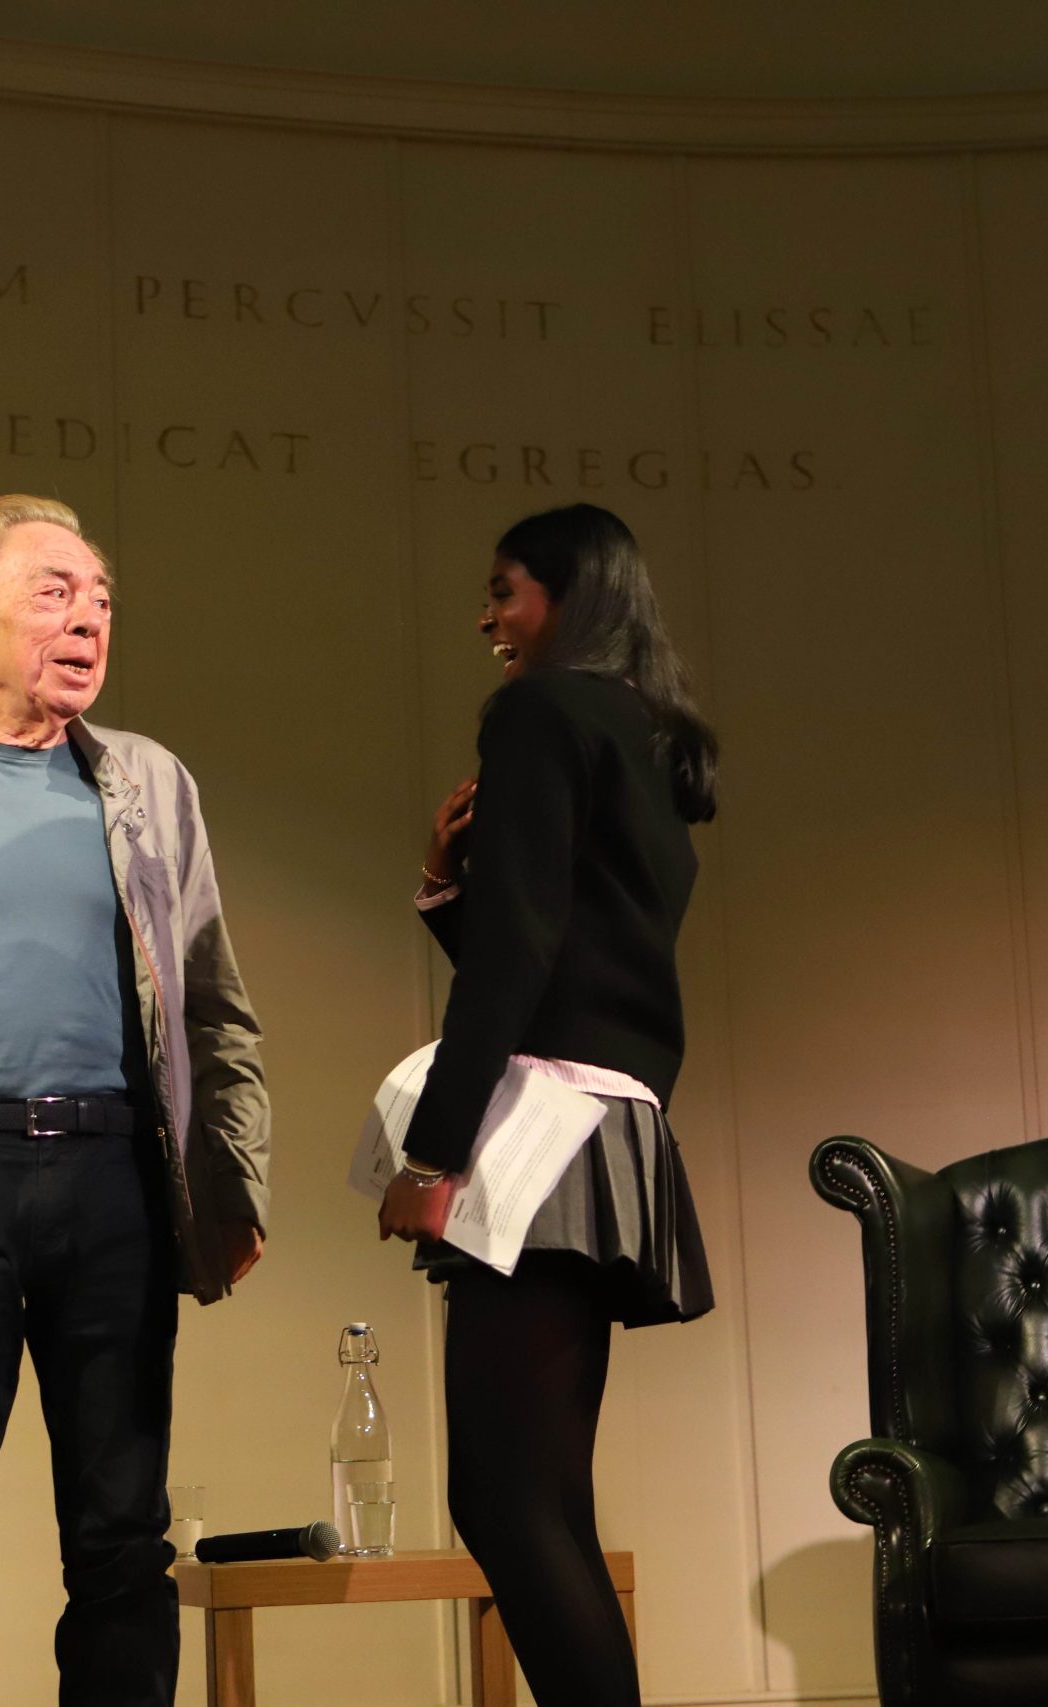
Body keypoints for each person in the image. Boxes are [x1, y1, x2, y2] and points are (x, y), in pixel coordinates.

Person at [0, 494, 271, 1707]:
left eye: (103, 599)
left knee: (122, 1545)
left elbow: (215, 1012)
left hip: (111, 1184)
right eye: (55, 592)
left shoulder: (149, 786)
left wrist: (231, 1186)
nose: (88, 619)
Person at [377, 502, 719, 1707]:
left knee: (505, 1501)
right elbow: (565, 946)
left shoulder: (536, 710)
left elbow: (517, 959)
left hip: (544, 1137)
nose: (487, 616)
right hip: (615, 1126)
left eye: (504, 590)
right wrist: (440, 881)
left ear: (569, 593)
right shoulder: (643, 734)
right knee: (546, 1503)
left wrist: (431, 1156)